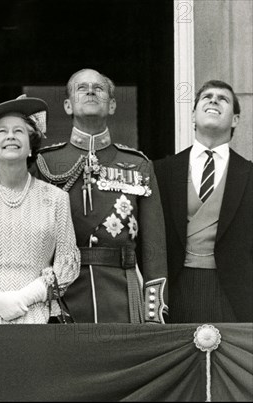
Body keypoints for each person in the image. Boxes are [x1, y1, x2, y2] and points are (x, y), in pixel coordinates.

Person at [34, 68, 168, 323]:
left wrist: (153, 311)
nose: (91, 91)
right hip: (61, 294)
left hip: (122, 293)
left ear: (113, 105)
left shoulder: (137, 164)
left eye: (99, 88)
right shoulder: (45, 163)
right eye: (81, 88)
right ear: (67, 105)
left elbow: (154, 247)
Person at [0, 96, 80, 324]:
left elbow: (66, 263)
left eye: (19, 131)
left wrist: (24, 298)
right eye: (2, 132)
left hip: (39, 317)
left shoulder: (56, 199)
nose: (10, 136)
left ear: (31, 146)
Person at [154, 80, 252, 322]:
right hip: (175, 290)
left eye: (223, 98)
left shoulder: (249, 174)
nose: (214, 100)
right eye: (207, 96)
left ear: (235, 120)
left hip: (235, 295)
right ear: (193, 116)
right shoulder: (161, 171)